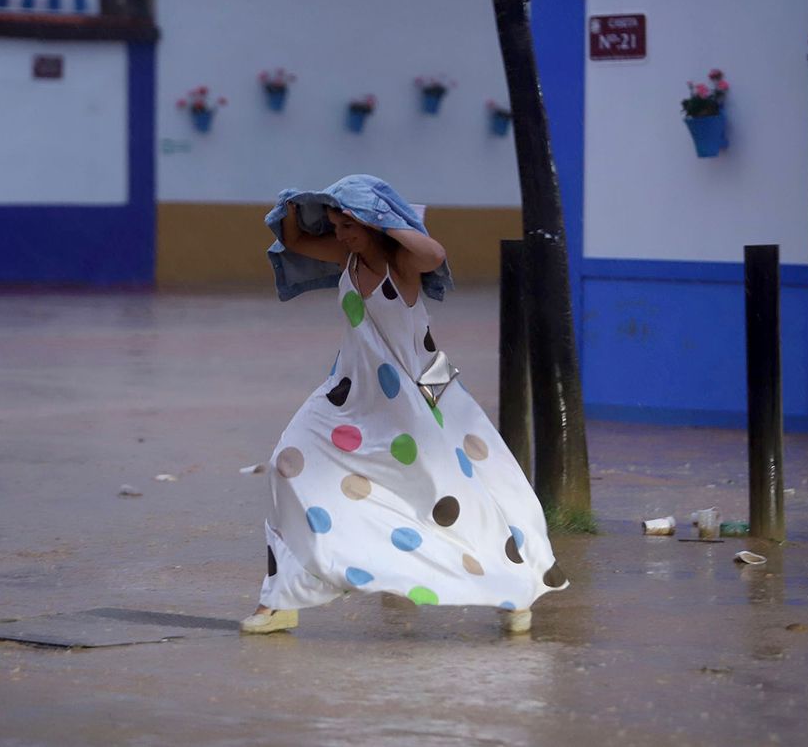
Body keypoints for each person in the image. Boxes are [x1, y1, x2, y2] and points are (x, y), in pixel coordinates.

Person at [243, 175, 567, 635]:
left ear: (373, 225)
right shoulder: (348, 256)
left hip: (417, 392)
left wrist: (384, 218)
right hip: (351, 393)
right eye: (336, 226)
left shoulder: (401, 263)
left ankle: (512, 585)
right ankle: (281, 598)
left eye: (348, 226)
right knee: (286, 465)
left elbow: (435, 254)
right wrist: (297, 205)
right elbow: (294, 238)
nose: (339, 235)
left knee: (452, 495)